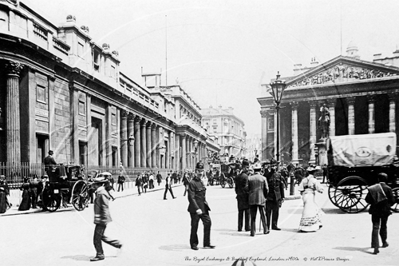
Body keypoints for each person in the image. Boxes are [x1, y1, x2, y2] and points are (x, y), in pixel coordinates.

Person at [90, 176, 122, 262]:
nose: (93, 186)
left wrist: (103, 219)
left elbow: (105, 207)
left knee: (96, 238)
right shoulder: (100, 192)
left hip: (102, 220)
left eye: (94, 184)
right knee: (100, 236)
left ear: (97, 185)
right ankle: (118, 244)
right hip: (100, 219)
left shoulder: (101, 193)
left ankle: (100, 254)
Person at [365, 172, 395, 255]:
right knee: (384, 226)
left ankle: (374, 245)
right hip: (385, 211)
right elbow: (392, 201)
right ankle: (384, 242)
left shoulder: (373, 188)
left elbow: (367, 200)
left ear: (378, 179)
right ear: (386, 179)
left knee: (375, 226)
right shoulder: (388, 188)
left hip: (375, 210)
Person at [187, 162, 215, 250]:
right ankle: (193, 244)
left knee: (208, 223)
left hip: (203, 207)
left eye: (202, 171)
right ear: (195, 171)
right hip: (195, 209)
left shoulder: (201, 182)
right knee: (194, 226)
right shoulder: (192, 183)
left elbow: (203, 196)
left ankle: (206, 243)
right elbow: (191, 198)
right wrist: (197, 208)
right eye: (199, 171)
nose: (200, 173)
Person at [298, 166, 324, 232]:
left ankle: (304, 226)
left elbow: (300, 189)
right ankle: (311, 226)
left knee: (306, 209)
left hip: (305, 194)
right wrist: (320, 190)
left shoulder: (304, 180)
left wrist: (303, 193)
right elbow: (320, 188)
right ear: (314, 173)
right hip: (310, 194)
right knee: (311, 209)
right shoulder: (314, 180)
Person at [248, 163, 269, 236]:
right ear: (260, 170)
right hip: (261, 198)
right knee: (263, 215)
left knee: (253, 215)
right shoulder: (263, 178)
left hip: (252, 198)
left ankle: (252, 231)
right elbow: (266, 189)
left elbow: (247, 189)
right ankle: (265, 229)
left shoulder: (250, 178)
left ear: (254, 170)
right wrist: (265, 197)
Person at [265, 162, 285, 231]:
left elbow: (281, 186)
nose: (273, 167)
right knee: (268, 212)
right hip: (269, 196)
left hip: (277, 196)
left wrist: (282, 197)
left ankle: (274, 225)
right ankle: (267, 226)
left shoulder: (279, 175)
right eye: (272, 166)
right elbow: (264, 187)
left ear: (276, 166)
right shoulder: (267, 175)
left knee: (276, 211)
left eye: (274, 166)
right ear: (270, 166)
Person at [235, 159, 251, 232]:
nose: (248, 169)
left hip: (239, 196)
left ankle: (239, 227)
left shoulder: (238, 176)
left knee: (240, 212)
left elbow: (236, 188)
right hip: (245, 197)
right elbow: (247, 187)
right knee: (247, 212)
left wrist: (238, 193)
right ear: (244, 167)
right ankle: (247, 227)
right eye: (247, 167)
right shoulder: (246, 176)